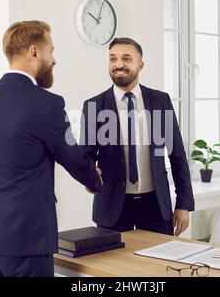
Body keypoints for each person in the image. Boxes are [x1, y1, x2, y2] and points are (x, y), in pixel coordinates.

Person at [0, 20, 102, 277]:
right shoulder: (46, 104)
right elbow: (72, 157)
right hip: (26, 239)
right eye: (51, 51)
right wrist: (94, 181)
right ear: (34, 51)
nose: (54, 60)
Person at [80, 37, 194, 236]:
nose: (119, 65)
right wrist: (89, 178)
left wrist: (183, 203)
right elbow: (86, 157)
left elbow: (177, 155)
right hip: (112, 208)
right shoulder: (94, 106)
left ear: (140, 64)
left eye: (126, 58)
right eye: (113, 59)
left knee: (158, 266)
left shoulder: (161, 101)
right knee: (114, 267)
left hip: (155, 206)